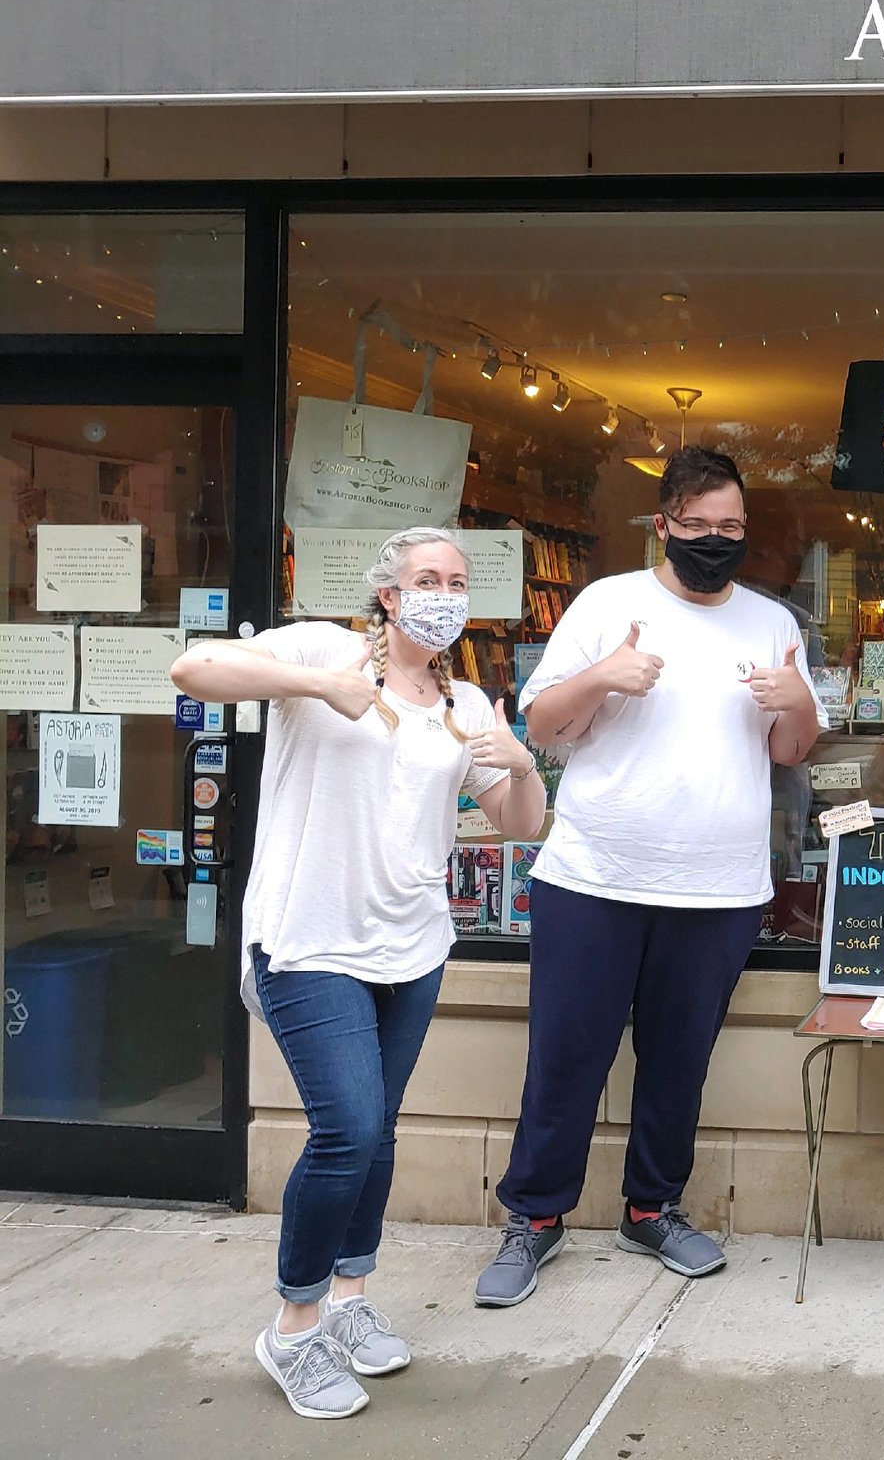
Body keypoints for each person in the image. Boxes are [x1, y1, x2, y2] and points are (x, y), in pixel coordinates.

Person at [171, 527, 546, 1419]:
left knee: (376, 1130)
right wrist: (315, 685)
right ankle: (294, 1327)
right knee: (344, 1128)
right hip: (309, 938)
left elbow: (521, 824)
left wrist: (525, 764)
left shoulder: (467, 703)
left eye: (457, 580)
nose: (444, 593)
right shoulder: (321, 650)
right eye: (427, 578)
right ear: (389, 594)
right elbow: (193, 671)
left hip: (411, 946)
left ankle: (350, 1298)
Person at [476, 446, 826, 1308]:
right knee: (566, 1057)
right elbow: (546, 727)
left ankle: (651, 1207)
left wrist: (799, 703)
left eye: (732, 528)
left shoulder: (774, 623)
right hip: (595, 874)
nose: (716, 541)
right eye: (699, 526)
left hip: (717, 889)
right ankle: (534, 1219)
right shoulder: (608, 604)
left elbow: (792, 752)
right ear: (663, 524)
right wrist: (604, 674)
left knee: (679, 1062)